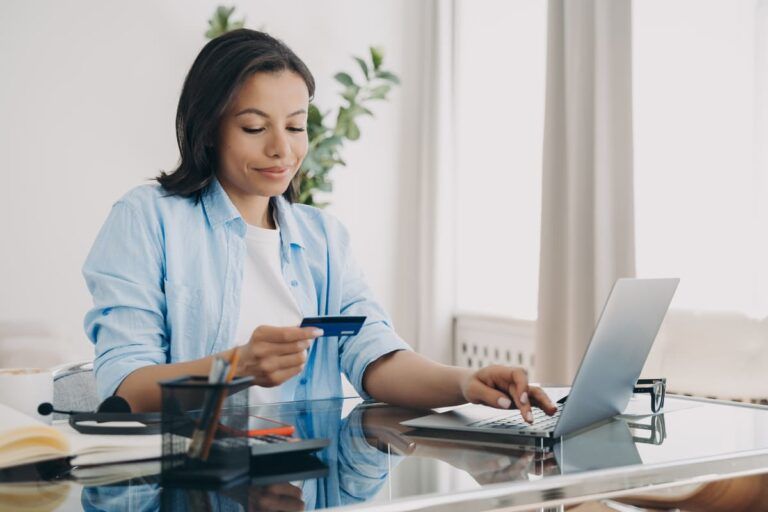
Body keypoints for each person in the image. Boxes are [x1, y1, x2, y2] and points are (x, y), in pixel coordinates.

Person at [82, 29, 557, 421]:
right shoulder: (147, 218)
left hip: (305, 474)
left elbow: (373, 353)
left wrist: (463, 382)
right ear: (208, 128)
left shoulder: (323, 237)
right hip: (192, 483)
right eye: (254, 127)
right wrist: (235, 367)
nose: (281, 150)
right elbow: (125, 387)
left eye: (295, 126)